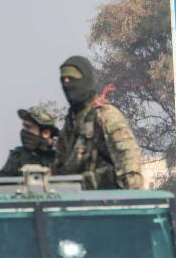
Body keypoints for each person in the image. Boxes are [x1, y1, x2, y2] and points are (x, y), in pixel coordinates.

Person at [55, 56, 143, 189]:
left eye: (72, 79)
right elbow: (59, 164)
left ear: (85, 79)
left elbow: (129, 160)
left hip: (106, 204)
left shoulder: (105, 115)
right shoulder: (71, 122)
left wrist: (133, 200)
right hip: (76, 202)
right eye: (63, 80)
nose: (67, 84)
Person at [0, 105, 60, 177]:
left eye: (28, 127)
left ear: (46, 133)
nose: (24, 131)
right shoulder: (18, 155)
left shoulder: (58, 158)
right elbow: (0, 184)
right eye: (24, 126)